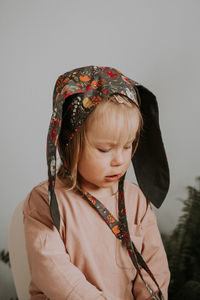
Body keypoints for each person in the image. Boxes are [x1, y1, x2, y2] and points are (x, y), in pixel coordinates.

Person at [23, 66, 170, 300]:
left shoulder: (137, 201)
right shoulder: (45, 202)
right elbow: (55, 275)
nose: (120, 160)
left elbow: (154, 270)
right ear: (70, 144)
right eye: (105, 149)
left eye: (128, 145)